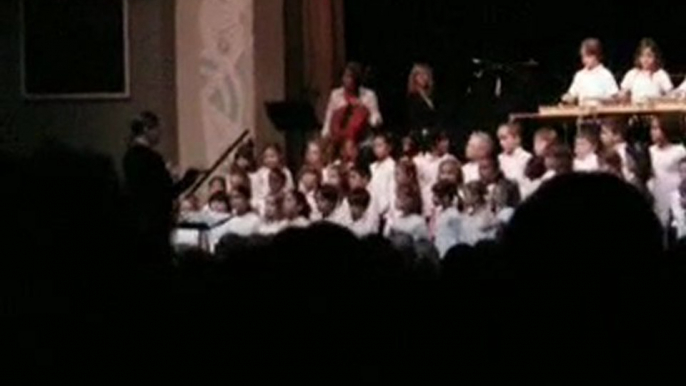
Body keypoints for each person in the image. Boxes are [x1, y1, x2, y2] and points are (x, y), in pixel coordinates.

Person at [123, 111, 201, 261]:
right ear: (147, 129)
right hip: (155, 225)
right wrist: (187, 179)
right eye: (157, 129)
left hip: (138, 223)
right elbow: (165, 193)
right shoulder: (152, 158)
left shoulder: (129, 156)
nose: (160, 134)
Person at [322, 62, 382, 142]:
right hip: (340, 138)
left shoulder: (368, 95)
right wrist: (325, 135)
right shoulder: (335, 95)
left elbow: (376, 118)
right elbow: (329, 117)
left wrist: (364, 109)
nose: (347, 80)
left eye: (350, 77)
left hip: (362, 138)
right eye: (345, 76)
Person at [649, 115, 686, 226]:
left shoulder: (679, 151)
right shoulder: (650, 151)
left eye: (656, 128)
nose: (653, 132)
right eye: (652, 128)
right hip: (657, 195)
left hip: (673, 197)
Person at [561, 38, 619, 106]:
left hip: (602, 113)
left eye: (588, 56)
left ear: (596, 56)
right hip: (582, 113)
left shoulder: (606, 75)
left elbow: (615, 99)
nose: (584, 60)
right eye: (583, 56)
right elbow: (572, 94)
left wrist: (598, 99)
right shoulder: (580, 75)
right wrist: (568, 98)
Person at [620, 38, 673, 103]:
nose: (645, 60)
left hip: (656, 111)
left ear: (655, 57)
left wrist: (660, 99)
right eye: (642, 56)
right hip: (635, 111)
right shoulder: (632, 74)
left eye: (649, 56)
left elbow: (670, 95)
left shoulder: (660, 74)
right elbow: (622, 94)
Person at [416, 132, 456, 217]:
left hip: (446, 206)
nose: (447, 143)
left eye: (446, 140)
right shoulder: (419, 161)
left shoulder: (450, 160)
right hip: (426, 206)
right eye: (443, 140)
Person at [209, 185, 261, 251]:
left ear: (247, 199)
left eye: (238, 197)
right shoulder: (229, 220)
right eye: (232, 198)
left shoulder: (255, 220)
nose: (234, 201)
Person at [459, 181, 495, 246]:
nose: (464, 198)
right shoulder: (468, 214)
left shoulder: (486, 214)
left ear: (476, 197)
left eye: (466, 195)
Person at [431, 181, 461, 258]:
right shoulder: (439, 212)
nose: (434, 198)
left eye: (438, 196)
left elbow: (457, 235)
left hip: (449, 250)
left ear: (446, 197)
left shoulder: (453, 214)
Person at [369, 132, 396, 216]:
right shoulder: (372, 167)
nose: (376, 149)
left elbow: (392, 194)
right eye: (374, 146)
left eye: (380, 145)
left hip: (385, 214)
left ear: (389, 147)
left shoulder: (392, 167)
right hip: (372, 211)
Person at [407, 63, 439, 134]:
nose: (423, 77)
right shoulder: (412, 97)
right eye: (419, 75)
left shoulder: (432, 96)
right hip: (419, 133)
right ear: (414, 77)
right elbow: (413, 119)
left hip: (433, 132)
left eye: (425, 74)